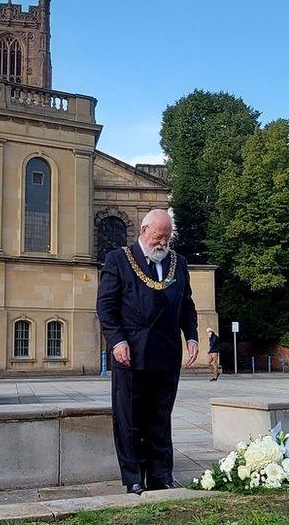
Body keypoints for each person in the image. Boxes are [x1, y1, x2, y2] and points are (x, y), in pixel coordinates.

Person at [97, 208, 199, 495]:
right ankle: (133, 479)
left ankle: (161, 476)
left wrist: (191, 336)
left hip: (166, 353)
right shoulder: (118, 259)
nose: (162, 243)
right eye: (158, 236)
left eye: (167, 237)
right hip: (130, 353)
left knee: (160, 417)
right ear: (143, 231)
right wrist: (117, 341)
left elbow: (187, 305)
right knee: (130, 419)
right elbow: (106, 306)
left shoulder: (178, 263)